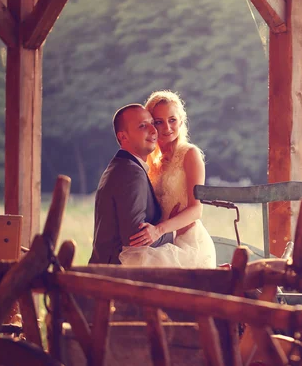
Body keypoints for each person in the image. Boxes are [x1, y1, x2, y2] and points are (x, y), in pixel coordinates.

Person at [118, 90, 217, 268]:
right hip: (162, 241)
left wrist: (159, 230)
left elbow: (196, 210)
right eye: (158, 122)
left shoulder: (190, 154)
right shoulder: (151, 162)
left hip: (189, 244)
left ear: (181, 120)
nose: (167, 128)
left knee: (135, 265)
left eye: (172, 120)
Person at [89, 104, 174, 265]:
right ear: (123, 137)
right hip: (115, 277)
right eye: (142, 126)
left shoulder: (121, 166)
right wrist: (175, 232)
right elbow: (135, 238)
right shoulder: (131, 173)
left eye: (152, 123)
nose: (153, 130)